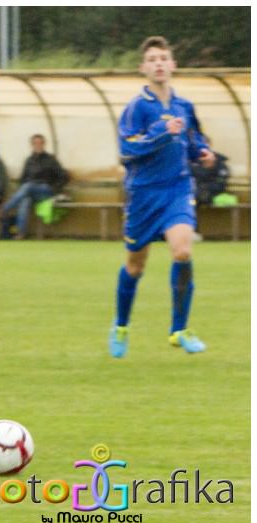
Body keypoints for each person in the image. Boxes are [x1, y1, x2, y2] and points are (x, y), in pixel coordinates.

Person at [109, 36, 216, 358]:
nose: (158, 63)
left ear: (172, 65)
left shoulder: (184, 106)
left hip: (177, 189)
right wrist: (160, 132)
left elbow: (193, 139)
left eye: (163, 58)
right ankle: (121, 325)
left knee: (182, 251)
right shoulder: (137, 107)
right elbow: (127, 149)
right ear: (144, 67)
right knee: (135, 265)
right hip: (143, 195)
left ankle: (179, 330)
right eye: (152, 59)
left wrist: (203, 152)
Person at [0, 134, 67, 239]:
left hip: (46, 190)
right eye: (35, 143)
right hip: (30, 192)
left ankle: (4, 209)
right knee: (25, 200)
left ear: (44, 144)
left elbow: (63, 176)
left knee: (28, 186)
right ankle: (21, 233)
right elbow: (23, 178)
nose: (38, 145)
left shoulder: (50, 160)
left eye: (40, 143)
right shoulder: (29, 160)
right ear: (32, 145)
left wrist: (55, 189)